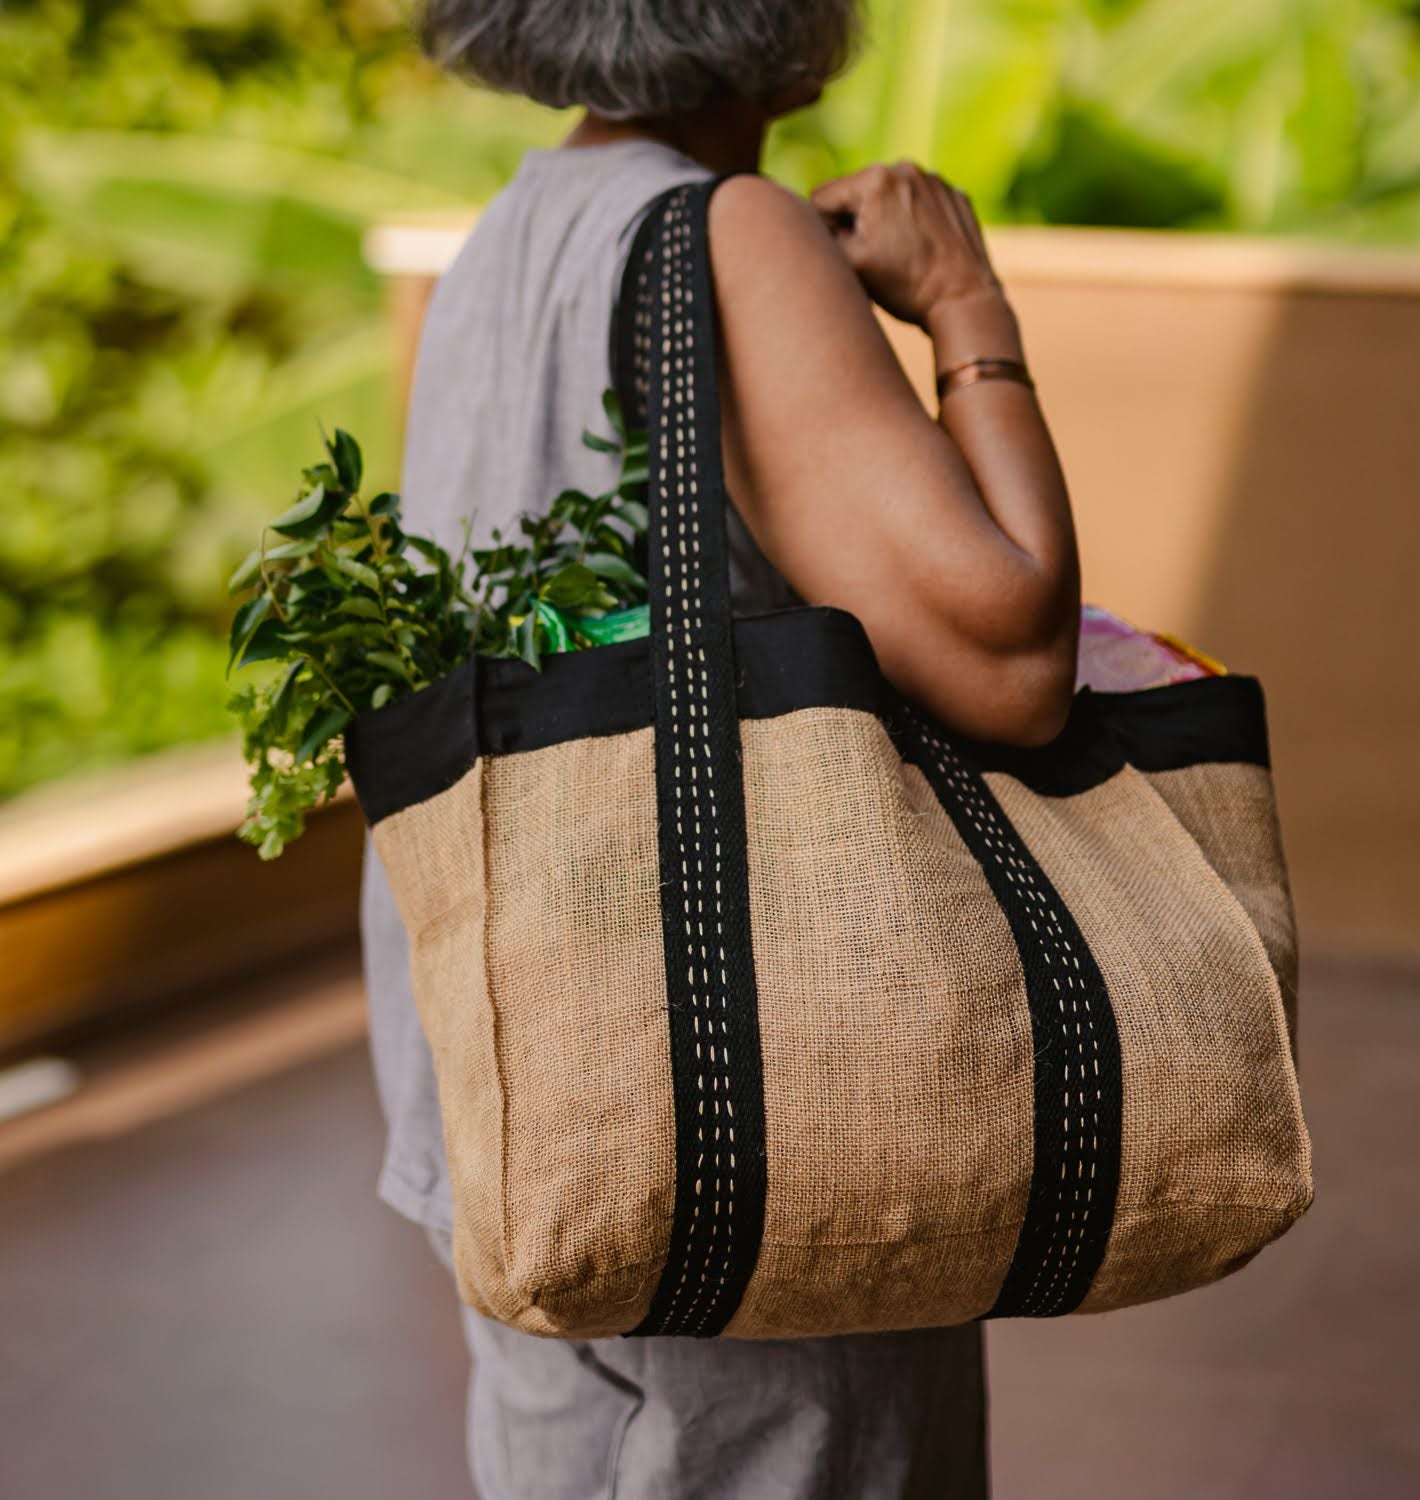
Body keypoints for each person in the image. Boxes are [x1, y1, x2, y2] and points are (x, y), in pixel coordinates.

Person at [360, 3, 1082, 1496]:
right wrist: (965, 305)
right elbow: (1012, 661)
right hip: (745, 1077)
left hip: (525, 1072)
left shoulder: (500, 240)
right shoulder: (733, 234)